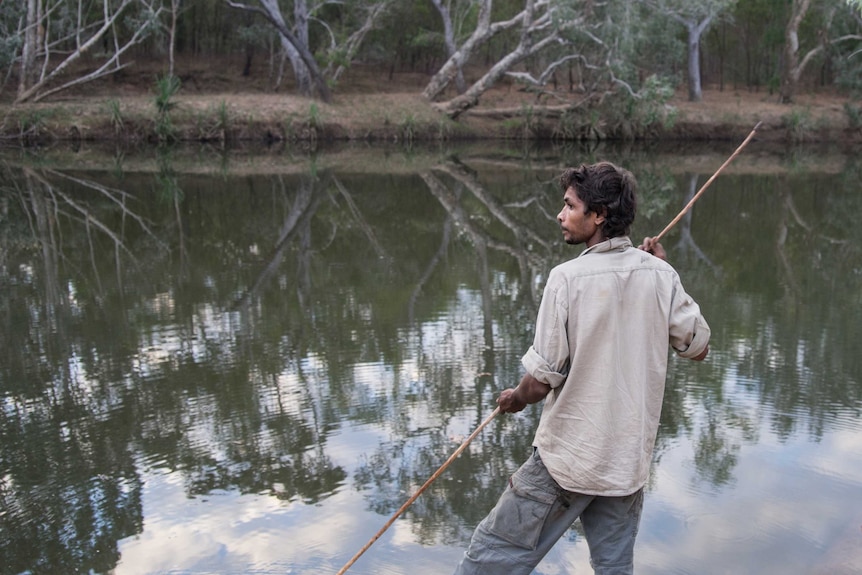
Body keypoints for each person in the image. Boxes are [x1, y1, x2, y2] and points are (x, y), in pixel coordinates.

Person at [453, 161, 710, 575]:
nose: (561, 214)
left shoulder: (566, 279)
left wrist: (515, 399)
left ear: (600, 215)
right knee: (613, 569)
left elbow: (539, 383)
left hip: (566, 463)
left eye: (570, 206)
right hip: (624, 466)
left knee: (485, 562)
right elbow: (698, 347)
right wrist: (661, 271)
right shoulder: (661, 275)